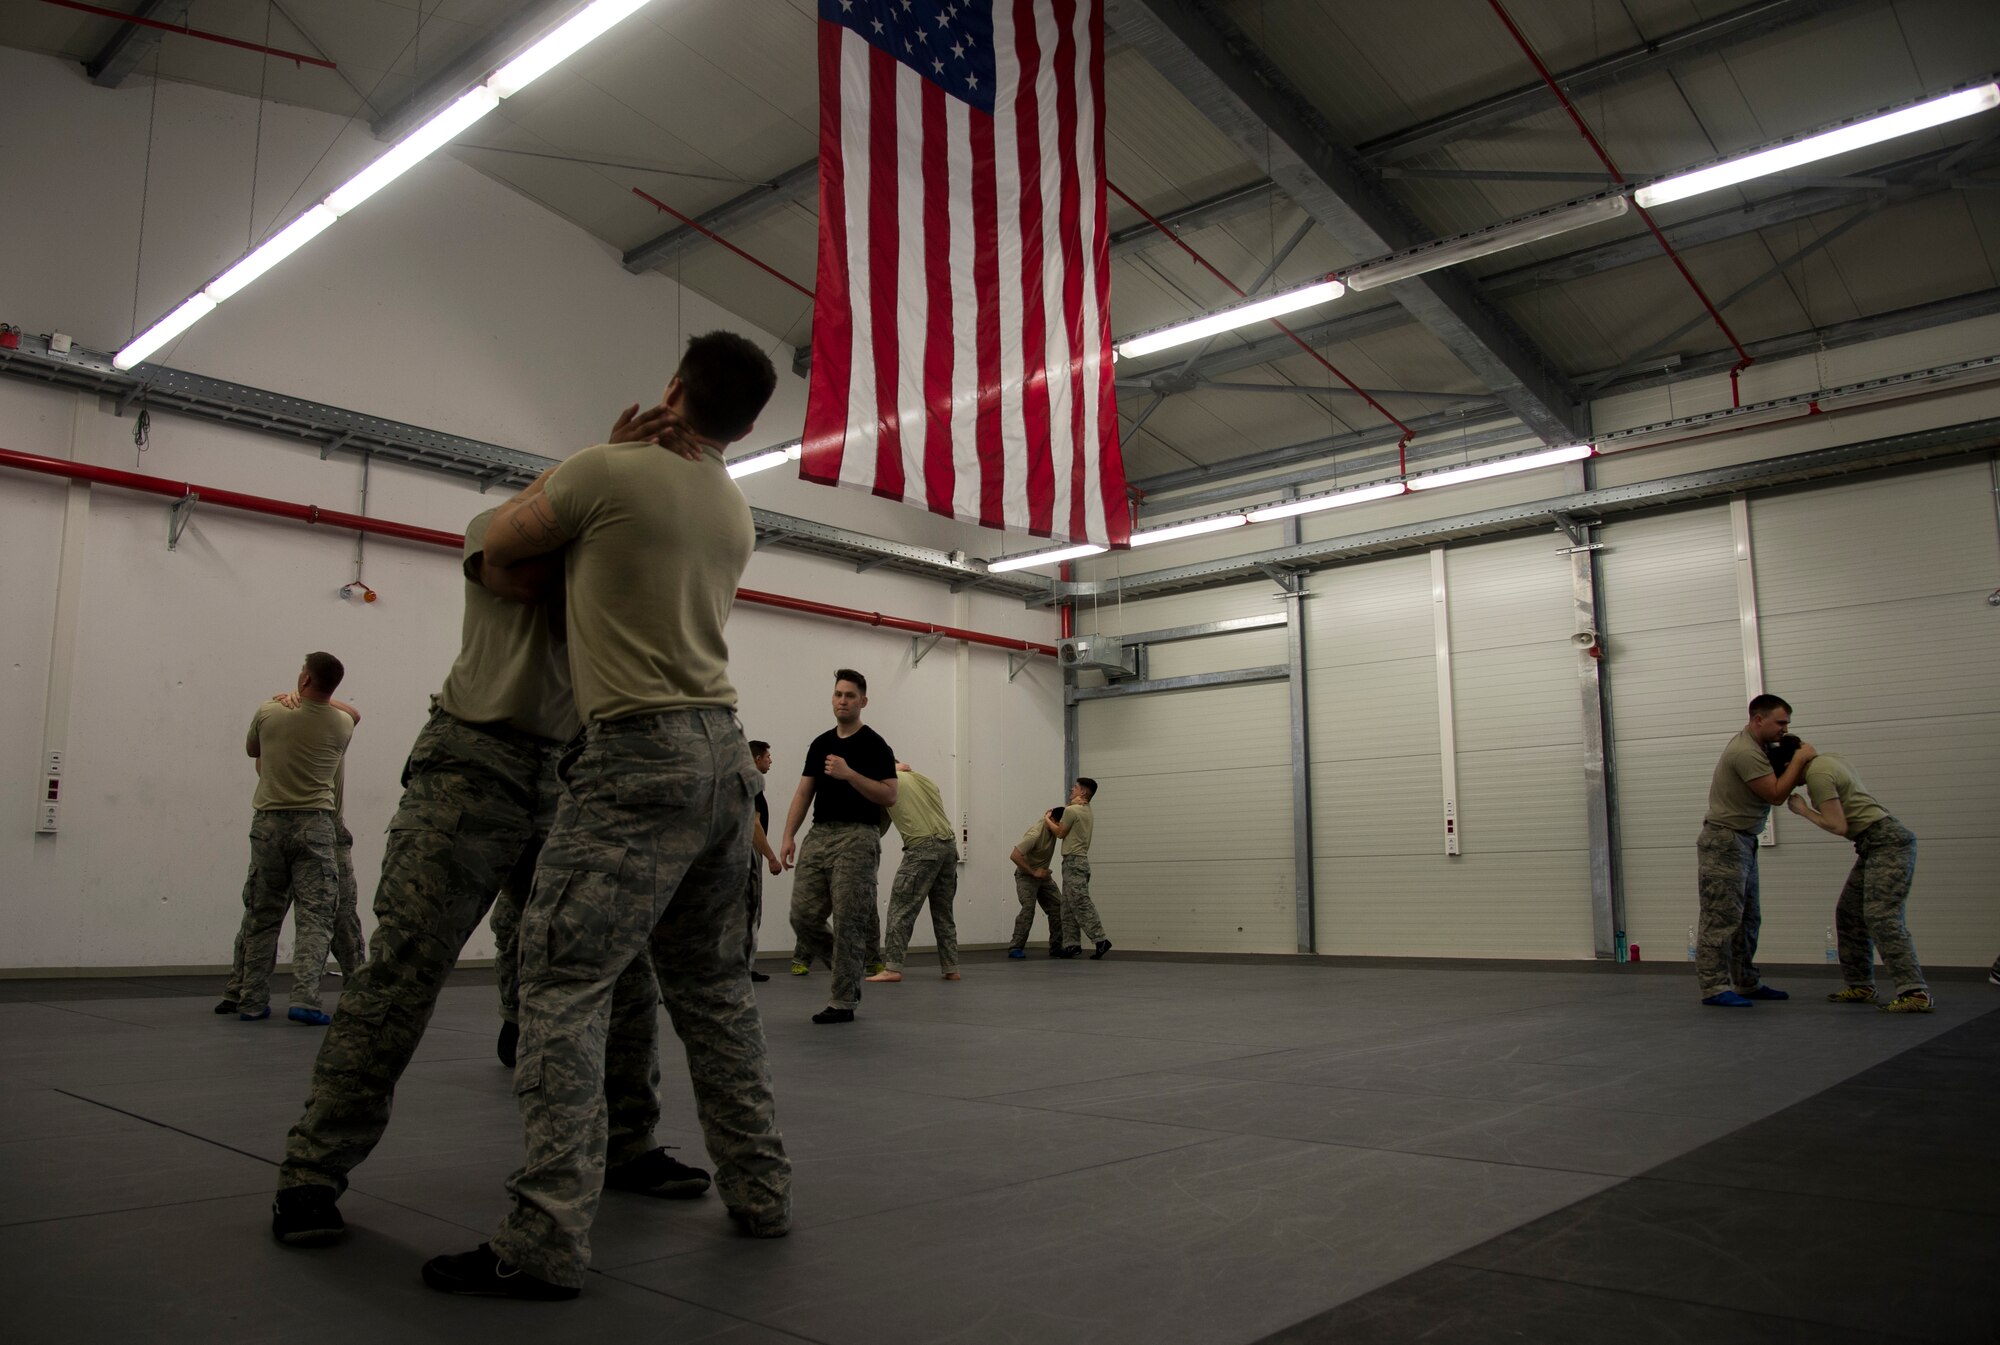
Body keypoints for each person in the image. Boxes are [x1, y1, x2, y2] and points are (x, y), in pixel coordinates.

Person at [273, 433, 713, 1247]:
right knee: (402, 969)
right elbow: (526, 571)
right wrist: (611, 470)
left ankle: (630, 1143)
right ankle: (311, 1170)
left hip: (573, 774)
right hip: (470, 765)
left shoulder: (613, 559)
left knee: (620, 973)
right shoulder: (494, 528)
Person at [426, 331, 788, 1300]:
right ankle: (760, 1190)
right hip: (724, 758)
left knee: (559, 983)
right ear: (746, 425)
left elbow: (500, 543)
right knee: (713, 991)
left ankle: (542, 1239)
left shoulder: (603, 470)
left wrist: (589, 454)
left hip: (634, 757)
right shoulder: (733, 503)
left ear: (671, 387)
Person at [217, 654, 356, 1025]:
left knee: (261, 915)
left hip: (268, 825)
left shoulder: (269, 711)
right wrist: (321, 696)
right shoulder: (342, 723)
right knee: (316, 917)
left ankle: (250, 999)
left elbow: (254, 752)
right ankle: (305, 999)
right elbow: (353, 714)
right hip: (316, 826)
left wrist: (284, 698)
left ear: (305, 679)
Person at [1770, 736, 1933, 1014]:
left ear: (1790, 764)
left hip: (1888, 842)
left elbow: (1838, 826)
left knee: (1882, 916)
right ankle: (1861, 984)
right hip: (1874, 844)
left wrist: (1804, 811)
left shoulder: (1818, 775)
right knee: (1849, 912)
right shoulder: (1828, 760)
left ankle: (1915, 992)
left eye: (1783, 772)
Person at [780, 670, 898, 1024]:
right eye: (837, 695)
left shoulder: (876, 745)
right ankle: (847, 965)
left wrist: (849, 774)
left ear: (863, 701)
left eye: (849, 695)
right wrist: (788, 835)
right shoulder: (820, 744)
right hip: (820, 835)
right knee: (801, 915)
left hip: (858, 837)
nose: (842, 701)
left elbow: (890, 795)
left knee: (849, 920)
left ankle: (843, 1001)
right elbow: (804, 792)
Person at [1695, 694, 1816, 1008]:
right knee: (1721, 918)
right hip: (1724, 841)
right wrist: (1801, 760)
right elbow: (1775, 794)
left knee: (1749, 918)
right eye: (1780, 722)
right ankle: (1714, 987)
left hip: (1744, 839)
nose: (1784, 729)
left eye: (1787, 723)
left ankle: (1746, 981)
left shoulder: (1762, 748)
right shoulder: (1745, 752)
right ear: (1758, 719)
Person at [867, 762, 961, 982]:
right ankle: (951, 968)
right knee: (944, 913)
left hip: (921, 848)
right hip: (949, 847)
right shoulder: (925, 779)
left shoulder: (888, 783)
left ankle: (892, 969)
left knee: (900, 909)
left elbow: (879, 824)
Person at [1047, 778, 1110, 960]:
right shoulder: (1085, 809)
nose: (1071, 789)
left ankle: (1100, 939)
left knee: (1080, 902)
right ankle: (1071, 944)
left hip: (1074, 862)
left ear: (1083, 792)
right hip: (1075, 862)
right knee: (1067, 906)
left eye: (1075, 787)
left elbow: (1060, 833)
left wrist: (1047, 819)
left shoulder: (1072, 811)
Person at [1007, 811, 1064, 959]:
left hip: (1043, 876)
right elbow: (1015, 855)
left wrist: (1079, 801)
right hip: (1026, 876)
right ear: (1051, 820)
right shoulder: (1035, 834)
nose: (1061, 828)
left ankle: (1057, 947)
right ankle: (1016, 947)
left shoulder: (1053, 825)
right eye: (1058, 824)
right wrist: (1033, 872)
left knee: (1058, 907)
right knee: (1028, 908)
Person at [747, 739, 781, 982]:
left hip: (733, 853)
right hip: (747, 853)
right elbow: (754, 824)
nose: (770, 760)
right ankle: (743, 968)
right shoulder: (754, 785)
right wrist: (771, 856)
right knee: (751, 910)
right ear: (757, 758)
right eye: (767, 756)